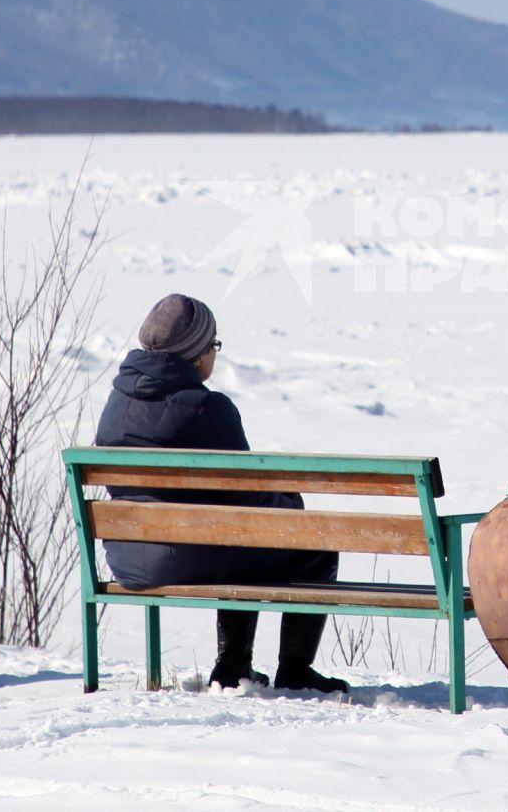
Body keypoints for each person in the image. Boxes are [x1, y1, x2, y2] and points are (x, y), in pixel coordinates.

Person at [95, 293, 347, 693]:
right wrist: (292, 507)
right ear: (196, 354)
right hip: (188, 554)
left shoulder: (118, 402)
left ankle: (233, 667)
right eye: (213, 345)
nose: (214, 354)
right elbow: (248, 499)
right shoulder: (206, 408)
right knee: (311, 545)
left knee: (233, 542)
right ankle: (292, 670)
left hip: (129, 556)